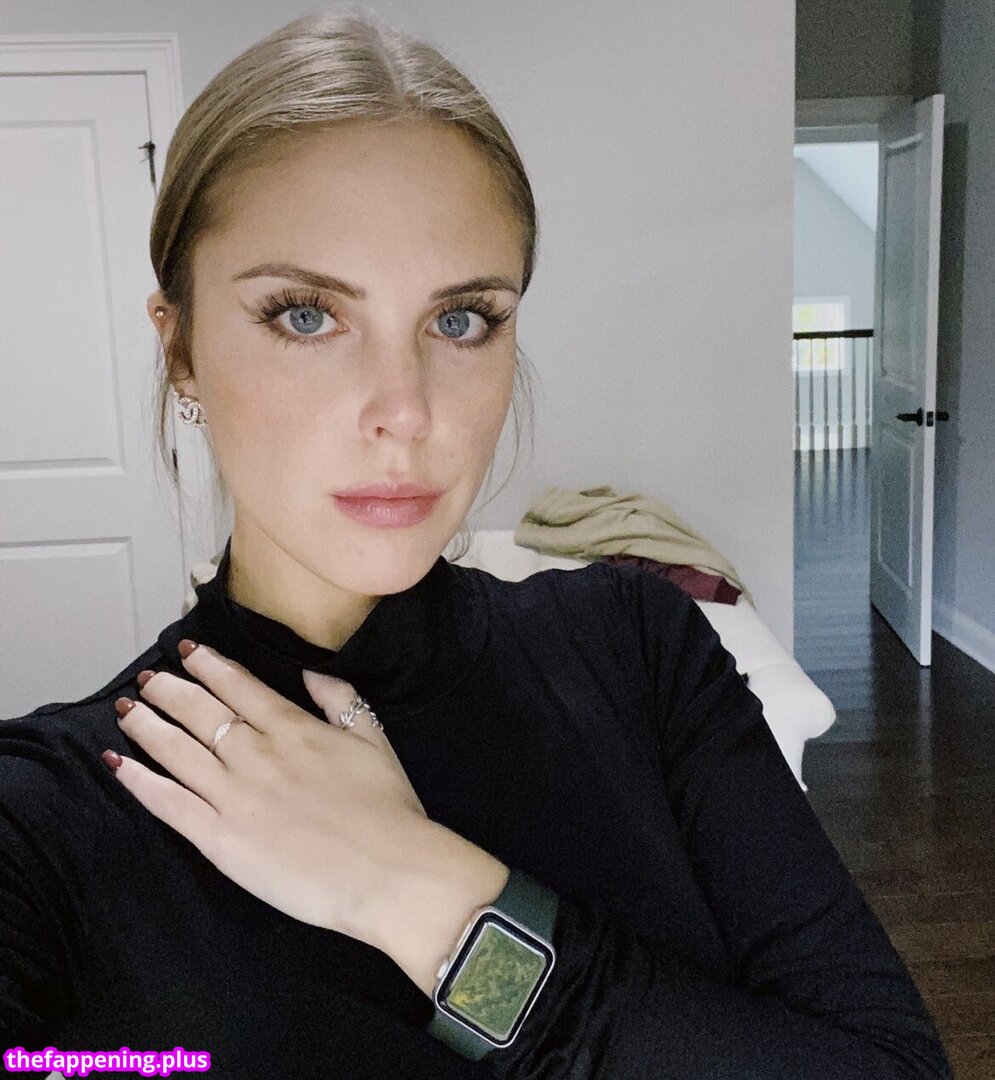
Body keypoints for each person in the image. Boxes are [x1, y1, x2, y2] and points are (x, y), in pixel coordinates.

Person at [0, 7, 952, 1079]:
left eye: (460, 321)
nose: (405, 411)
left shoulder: (635, 646)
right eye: (305, 315)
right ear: (180, 349)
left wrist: (418, 892)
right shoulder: (42, 820)